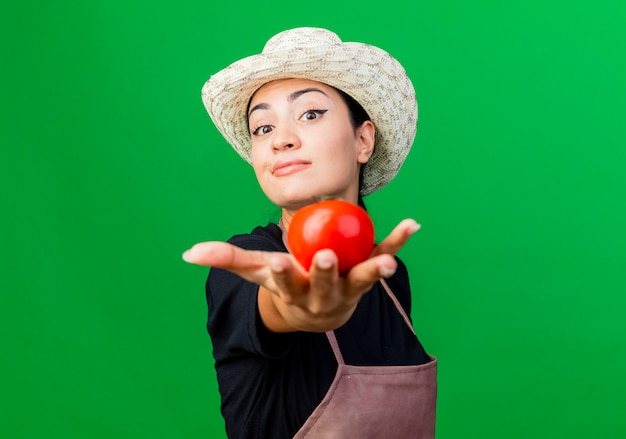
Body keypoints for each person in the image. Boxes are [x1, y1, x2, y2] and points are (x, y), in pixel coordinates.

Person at [183, 27, 437, 439]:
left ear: (363, 139)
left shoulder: (389, 275)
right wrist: (306, 311)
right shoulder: (247, 267)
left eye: (310, 114)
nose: (281, 139)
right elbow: (282, 307)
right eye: (263, 128)